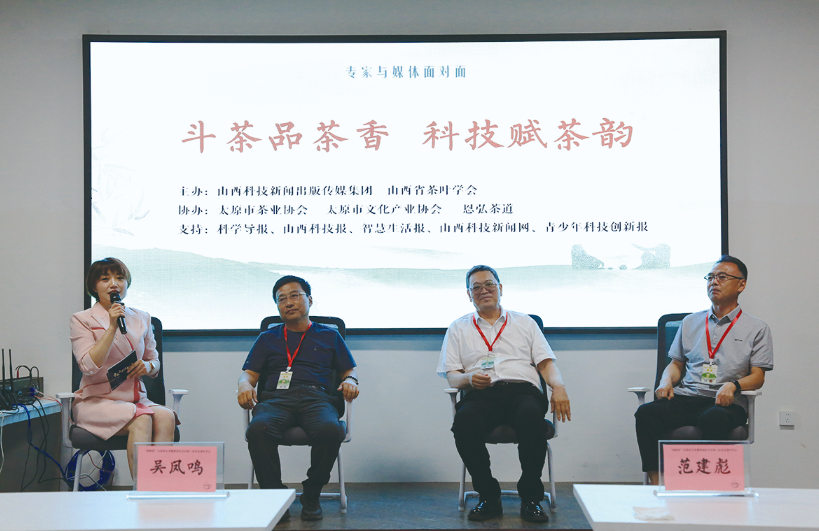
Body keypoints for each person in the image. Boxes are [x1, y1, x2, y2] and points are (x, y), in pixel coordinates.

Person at [437, 265, 571, 523]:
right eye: (476, 287)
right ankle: (488, 495)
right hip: (480, 394)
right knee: (464, 423)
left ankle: (531, 498)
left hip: (522, 392)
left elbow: (545, 363)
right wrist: (468, 378)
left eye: (489, 284)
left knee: (531, 419)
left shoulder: (525, 322)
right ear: (469, 294)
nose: (484, 290)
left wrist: (559, 386)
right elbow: (453, 375)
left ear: (500, 288)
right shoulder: (458, 327)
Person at [634, 255, 773, 485]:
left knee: (714, 418)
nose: (714, 282)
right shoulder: (690, 322)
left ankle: (706, 486)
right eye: (710, 277)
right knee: (646, 413)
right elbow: (676, 364)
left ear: (741, 285)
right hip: (688, 397)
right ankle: (657, 485)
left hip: (726, 403)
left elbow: (758, 376)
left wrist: (733, 385)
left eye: (722, 277)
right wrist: (665, 381)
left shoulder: (757, 328)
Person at [238, 275, 359, 522]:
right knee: (258, 430)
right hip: (276, 400)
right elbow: (248, 374)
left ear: (309, 300)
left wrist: (351, 381)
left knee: (330, 429)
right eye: (281, 299)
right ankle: (276, 498)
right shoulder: (267, 338)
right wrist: (243, 385)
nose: (289, 302)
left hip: (317, 398)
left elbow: (349, 370)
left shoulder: (329, 336)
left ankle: (311, 494)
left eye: (295, 295)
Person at [69, 257, 177, 480]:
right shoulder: (81, 319)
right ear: (94, 287)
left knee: (166, 416)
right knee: (142, 418)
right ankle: (143, 491)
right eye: (105, 279)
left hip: (135, 400)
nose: (114, 284)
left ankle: (160, 486)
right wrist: (111, 327)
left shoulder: (141, 318)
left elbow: (154, 362)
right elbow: (87, 366)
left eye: (120, 278)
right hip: (96, 401)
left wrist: (147, 366)